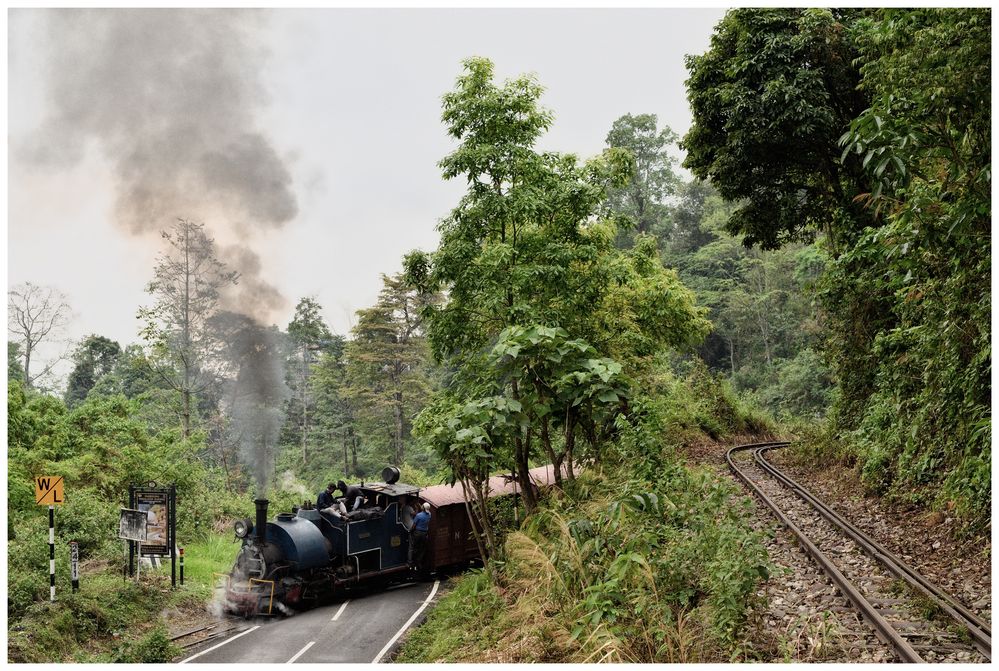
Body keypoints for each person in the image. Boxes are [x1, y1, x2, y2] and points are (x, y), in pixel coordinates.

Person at [410, 502, 431, 569]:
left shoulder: (418, 515)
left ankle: (412, 562)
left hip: (417, 533)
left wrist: (410, 531)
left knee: (414, 547)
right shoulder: (429, 515)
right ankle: (418, 562)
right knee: (422, 548)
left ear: (423, 508)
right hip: (424, 533)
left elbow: (413, 525)